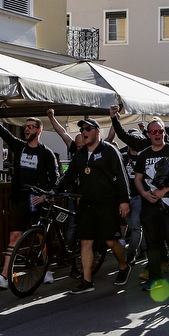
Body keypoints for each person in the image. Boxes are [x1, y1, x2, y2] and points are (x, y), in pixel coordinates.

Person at [0, 107, 60, 289]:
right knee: (14, 236)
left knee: (41, 236)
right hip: (20, 199)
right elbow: (1, 130)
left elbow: (56, 179)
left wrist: (45, 196)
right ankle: (4, 276)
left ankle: (46, 270)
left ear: (39, 130)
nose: (26, 129)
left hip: (38, 202)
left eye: (30, 126)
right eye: (25, 126)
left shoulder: (46, 154)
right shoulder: (19, 146)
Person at [57, 117, 132, 294]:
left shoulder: (109, 151)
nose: (84, 132)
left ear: (97, 132)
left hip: (107, 203)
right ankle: (87, 280)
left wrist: (124, 200)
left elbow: (121, 176)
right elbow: (69, 176)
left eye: (88, 129)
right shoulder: (80, 155)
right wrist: (55, 189)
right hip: (87, 204)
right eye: (82, 129)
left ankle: (123, 266)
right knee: (85, 241)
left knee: (111, 241)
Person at [131, 117, 169, 291]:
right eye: (154, 132)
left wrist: (164, 191)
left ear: (164, 132)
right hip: (149, 205)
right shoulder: (144, 154)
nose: (157, 134)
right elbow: (138, 179)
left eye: (160, 131)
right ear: (148, 134)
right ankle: (155, 278)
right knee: (152, 242)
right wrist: (144, 193)